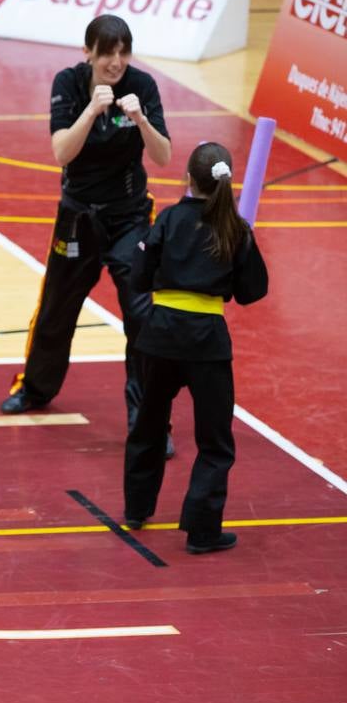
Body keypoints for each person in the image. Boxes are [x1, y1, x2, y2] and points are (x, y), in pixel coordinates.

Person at [0, 15, 173, 455]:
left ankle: (150, 419)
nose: (116, 62)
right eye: (107, 53)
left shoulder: (143, 86)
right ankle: (36, 390)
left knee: (141, 315)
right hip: (78, 217)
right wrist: (93, 109)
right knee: (57, 309)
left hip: (130, 217)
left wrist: (142, 119)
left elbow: (165, 156)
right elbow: (62, 152)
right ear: (89, 53)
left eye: (123, 52)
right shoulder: (70, 83)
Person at [123, 142, 268, 554]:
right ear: (227, 181)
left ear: (188, 179)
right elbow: (252, 292)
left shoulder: (168, 219)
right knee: (215, 441)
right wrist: (247, 244)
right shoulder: (234, 228)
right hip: (207, 343)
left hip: (161, 336)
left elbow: (138, 277)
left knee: (149, 425)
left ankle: (137, 509)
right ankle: (202, 531)